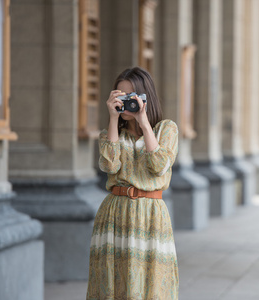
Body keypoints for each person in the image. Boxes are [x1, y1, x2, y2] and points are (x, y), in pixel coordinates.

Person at [86, 67, 179, 300]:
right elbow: (109, 166)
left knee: (152, 286)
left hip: (151, 216)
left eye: (131, 98)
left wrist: (144, 123)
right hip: (114, 213)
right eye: (120, 96)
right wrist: (113, 118)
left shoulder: (165, 129)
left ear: (145, 98)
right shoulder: (111, 135)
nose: (125, 103)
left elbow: (159, 166)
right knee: (111, 285)